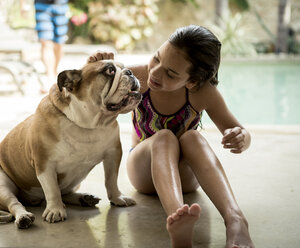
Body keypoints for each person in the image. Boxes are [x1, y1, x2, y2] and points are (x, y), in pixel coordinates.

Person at [87, 25, 254, 248]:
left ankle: (235, 219)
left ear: (192, 81)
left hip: (186, 178)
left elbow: (239, 130)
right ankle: (178, 217)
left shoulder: (203, 93)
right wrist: (94, 67)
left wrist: (241, 137)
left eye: (171, 73)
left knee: (193, 138)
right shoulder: (136, 77)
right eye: (157, 58)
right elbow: (87, 102)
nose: (155, 72)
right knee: (164, 137)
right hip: (143, 171)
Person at [22, 0, 69, 93]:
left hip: (61, 4)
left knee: (59, 43)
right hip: (41, 5)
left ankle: (55, 72)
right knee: (45, 42)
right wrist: (23, 4)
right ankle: (50, 77)